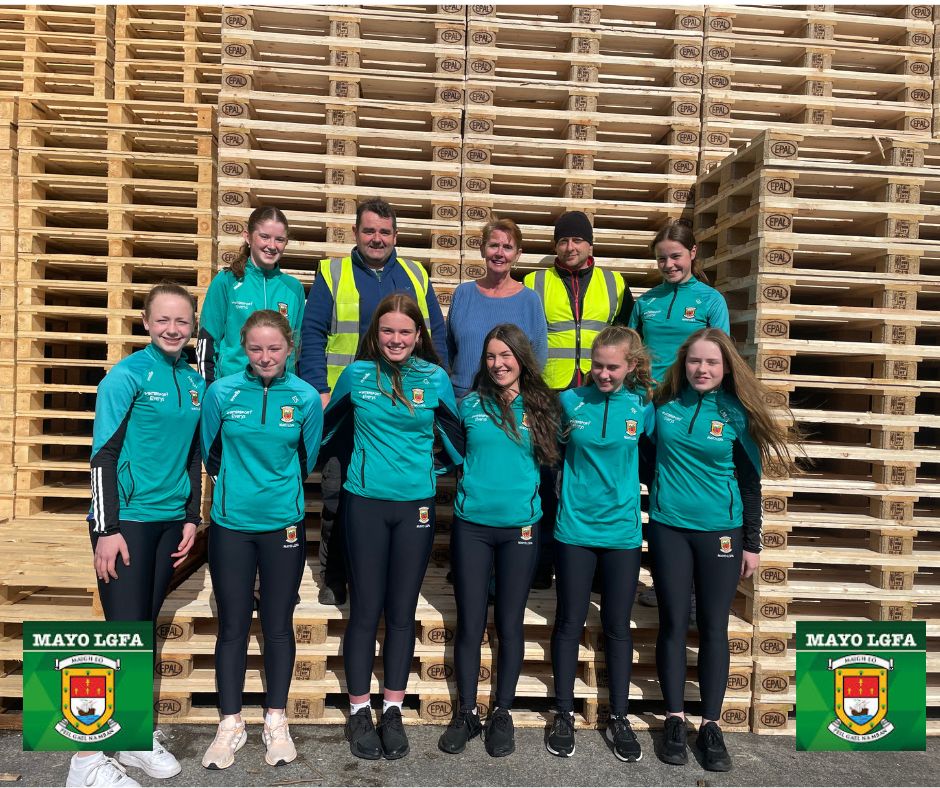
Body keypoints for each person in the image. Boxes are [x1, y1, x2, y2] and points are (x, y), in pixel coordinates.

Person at [70, 283, 204, 787]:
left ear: (193, 327)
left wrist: (191, 515)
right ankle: (85, 762)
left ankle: (128, 736)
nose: (173, 329)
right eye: (163, 320)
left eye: (182, 321)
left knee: (141, 631)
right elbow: (102, 454)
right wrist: (106, 529)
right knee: (119, 636)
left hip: (169, 520)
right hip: (125, 522)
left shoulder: (193, 381)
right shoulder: (125, 376)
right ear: (146, 323)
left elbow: (194, 454)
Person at [321, 293, 462, 761]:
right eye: (387, 331)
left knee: (401, 612)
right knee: (365, 611)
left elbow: (458, 442)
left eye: (405, 331)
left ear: (418, 335)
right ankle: (360, 709)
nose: (396, 339)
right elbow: (323, 433)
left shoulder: (435, 378)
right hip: (363, 505)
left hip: (415, 509)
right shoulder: (357, 375)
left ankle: (393, 708)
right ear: (374, 334)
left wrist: (429, 470)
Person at [648, 328, 796, 771]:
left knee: (713, 627)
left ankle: (710, 726)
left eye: (711, 362)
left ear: (726, 367)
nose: (702, 369)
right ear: (683, 364)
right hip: (668, 529)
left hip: (722, 535)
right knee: (673, 623)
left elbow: (751, 485)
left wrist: (752, 543)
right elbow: (639, 458)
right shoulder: (663, 409)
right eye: (695, 361)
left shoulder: (737, 415)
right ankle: (674, 719)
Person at [300, 197, 450, 606]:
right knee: (337, 494)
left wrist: (439, 392)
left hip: (400, 407)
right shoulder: (334, 272)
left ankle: (383, 575)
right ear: (356, 233)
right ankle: (335, 575)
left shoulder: (415, 274)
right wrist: (320, 388)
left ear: (395, 235)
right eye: (369, 231)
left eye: (384, 232)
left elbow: (434, 332)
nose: (377, 238)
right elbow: (312, 333)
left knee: (388, 495)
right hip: (348, 404)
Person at [199, 310, 322, 771]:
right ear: (244, 349)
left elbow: (308, 456)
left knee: (276, 624)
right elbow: (210, 454)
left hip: (283, 527)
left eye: (274, 348)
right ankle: (230, 723)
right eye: (255, 348)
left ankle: (275, 719)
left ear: (289, 347)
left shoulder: (306, 398)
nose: (265, 357)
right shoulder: (222, 392)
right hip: (232, 525)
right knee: (232, 625)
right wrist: (239, 489)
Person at [438, 325, 561, 758]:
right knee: (471, 624)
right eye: (491, 356)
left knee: (509, 624)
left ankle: (501, 712)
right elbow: (445, 458)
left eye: (506, 355)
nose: (498, 364)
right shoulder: (468, 406)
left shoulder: (543, 407)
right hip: (472, 526)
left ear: (522, 358)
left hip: (521, 529)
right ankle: (467, 711)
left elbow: (565, 464)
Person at [546, 326, 655, 763]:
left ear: (631, 366)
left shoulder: (643, 406)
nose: (603, 374)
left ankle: (620, 716)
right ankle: (564, 713)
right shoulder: (570, 402)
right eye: (598, 365)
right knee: (569, 621)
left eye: (613, 366)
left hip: (623, 534)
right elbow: (550, 454)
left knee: (617, 625)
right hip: (574, 530)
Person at [524, 210, 634, 589]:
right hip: (549, 393)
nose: (570, 247)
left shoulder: (615, 283)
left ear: (590, 244)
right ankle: (542, 566)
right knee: (544, 478)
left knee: (595, 478)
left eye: (577, 240)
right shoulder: (534, 281)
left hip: (599, 391)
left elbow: (630, 337)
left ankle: (597, 570)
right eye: (563, 240)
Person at [630, 220, 730, 608]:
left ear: (692, 254)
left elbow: (720, 357)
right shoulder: (646, 302)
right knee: (657, 493)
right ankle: (665, 580)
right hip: (650, 410)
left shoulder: (710, 301)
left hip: (689, 410)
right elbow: (631, 355)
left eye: (675, 256)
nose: (669, 264)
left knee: (684, 490)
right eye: (662, 258)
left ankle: (693, 588)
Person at [197, 206, 304, 386]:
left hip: (279, 391)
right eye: (264, 236)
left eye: (279, 239)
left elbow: (298, 347)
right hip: (233, 387)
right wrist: (208, 389)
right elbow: (207, 341)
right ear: (248, 237)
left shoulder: (294, 288)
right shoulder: (227, 281)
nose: (272, 246)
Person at [445, 219, 547, 399]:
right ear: (482, 249)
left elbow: (537, 359)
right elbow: (449, 349)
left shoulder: (530, 301)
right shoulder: (463, 294)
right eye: (493, 245)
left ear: (517, 254)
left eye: (507, 247)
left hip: (510, 403)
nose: (499, 253)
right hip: (463, 399)